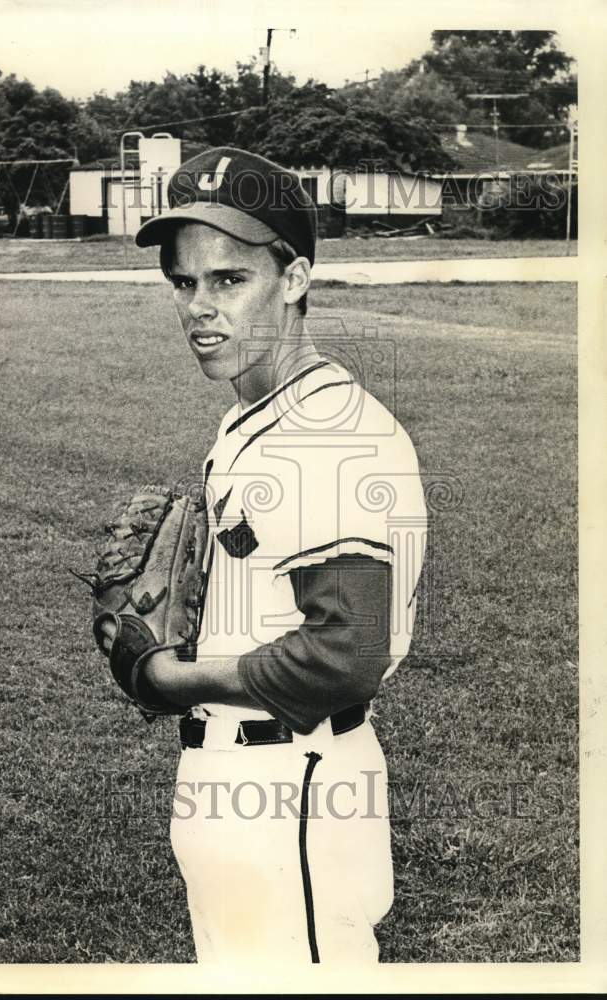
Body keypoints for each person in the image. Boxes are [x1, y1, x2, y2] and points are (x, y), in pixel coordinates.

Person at [105, 147, 427, 963]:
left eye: (228, 280)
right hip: (237, 783)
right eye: (184, 282)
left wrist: (173, 678)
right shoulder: (254, 419)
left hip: (296, 789)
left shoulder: (332, 432)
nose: (200, 309)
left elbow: (346, 653)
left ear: (294, 280)